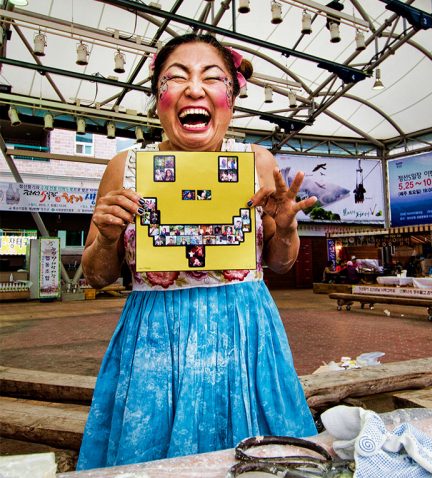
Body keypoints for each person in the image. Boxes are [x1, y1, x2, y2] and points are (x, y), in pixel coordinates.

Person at [78, 34, 318, 469]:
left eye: (212, 78)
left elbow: (280, 263)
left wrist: (284, 231)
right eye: (177, 77)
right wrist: (108, 237)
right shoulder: (125, 166)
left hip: (246, 333)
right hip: (155, 338)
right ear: (158, 101)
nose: (194, 88)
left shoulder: (258, 162)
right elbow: (96, 277)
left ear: (231, 98)